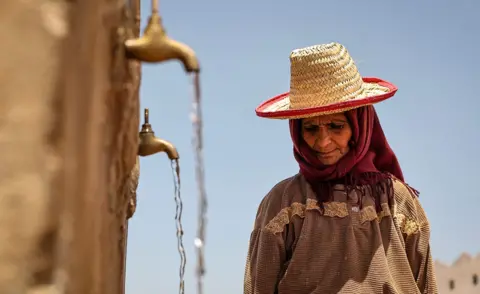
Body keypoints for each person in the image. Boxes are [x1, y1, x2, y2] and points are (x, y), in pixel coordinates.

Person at [244, 42, 438, 294]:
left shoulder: (397, 201)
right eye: (311, 129)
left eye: (336, 126)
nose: (323, 142)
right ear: (297, 132)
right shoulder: (283, 202)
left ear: (359, 126)